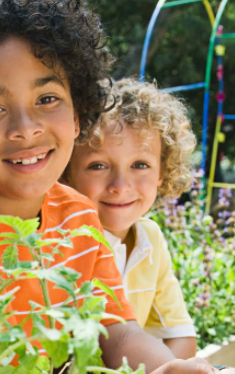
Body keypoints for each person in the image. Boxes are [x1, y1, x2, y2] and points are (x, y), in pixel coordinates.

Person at [0, 0, 222, 373]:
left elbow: (119, 333)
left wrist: (167, 369)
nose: (25, 127)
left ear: (79, 117)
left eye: (47, 99)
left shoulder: (79, 214)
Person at [64, 78, 198, 359]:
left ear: (162, 172)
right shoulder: (61, 240)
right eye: (97, 166)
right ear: (66, 172)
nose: (120, 186)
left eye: (140, 165)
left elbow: (181, 337)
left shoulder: (150, 238)